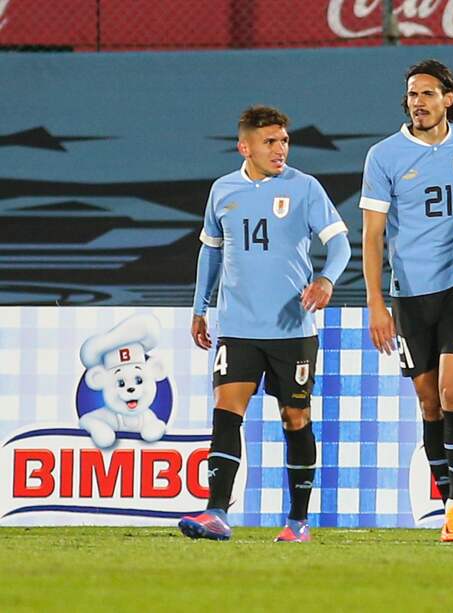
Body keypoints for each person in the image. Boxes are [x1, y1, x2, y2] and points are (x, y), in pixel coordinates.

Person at [179, 105, 351, 542]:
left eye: (284, 141)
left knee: (296, 419)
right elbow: (211, 252)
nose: (280, 149)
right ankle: (216, 513)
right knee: (225, 414)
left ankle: (297, 522)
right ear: (245, 146)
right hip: (237, 328)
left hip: (291, 330)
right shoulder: (223, 191)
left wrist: (327, 278)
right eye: (270, 142)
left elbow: (340, 245)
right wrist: (201, 308)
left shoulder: (305, 188)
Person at [360, 59, 453, 542]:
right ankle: (446, 499)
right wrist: (377, 303)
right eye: (412, 94)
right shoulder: (384, 156)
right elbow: (372, 237)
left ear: (448, 99)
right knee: (429, 401)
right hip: (411, 293)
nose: (418, 102)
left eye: (428, 93)